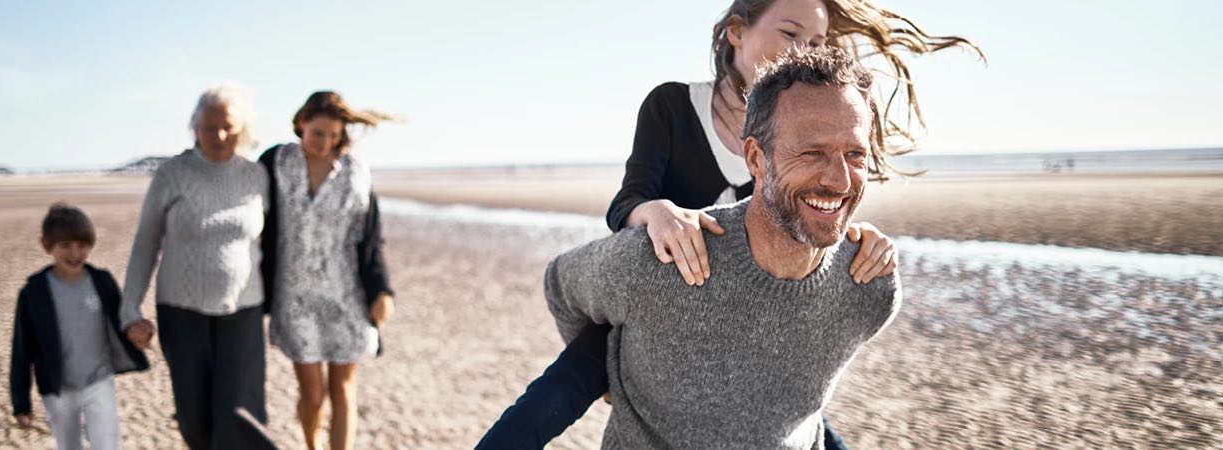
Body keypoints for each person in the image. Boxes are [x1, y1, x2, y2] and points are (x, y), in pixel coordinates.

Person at [478, 0, 980, 447]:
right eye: (790, 34)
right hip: (665, 282)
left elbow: (809, 208)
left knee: (802, 418)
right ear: (736, 32)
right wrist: (654, 214)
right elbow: (627, 201)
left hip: (763, 314)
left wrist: (859, 239)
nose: (801, 49)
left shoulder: (806, 114)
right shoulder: (675, 107)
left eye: (816, 41)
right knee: (549, 399)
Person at [548, 46, 900, 449]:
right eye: (811, 152)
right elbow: (561, 285)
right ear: (756, 157)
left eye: (854, 154)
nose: (839, 181)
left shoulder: (870, 287)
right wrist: (609, 377)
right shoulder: (664, 261)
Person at [120, 82, 271, 449]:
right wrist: (129, 309)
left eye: (228, 127)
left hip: (244, 312)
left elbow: (273, 244)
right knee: (194, 417)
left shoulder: (257, 177)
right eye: (208, 127)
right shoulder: (172, 174)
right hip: (181, 313)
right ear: (195, 128)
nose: (218, 135)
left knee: (239, 412)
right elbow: (146, 244)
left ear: (243, 129)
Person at [259, 91, 397, 450]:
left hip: (346, 295)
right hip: (295, 297)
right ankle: (310, 445)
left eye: (334, 136)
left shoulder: (355, 171)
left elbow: (370, 238)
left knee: (344, 387)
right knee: (313, 393)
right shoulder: (276, 161)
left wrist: (382, 291)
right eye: (319, 133)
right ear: (301, 122)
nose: (326, 143)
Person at [10, 203, 150, 450]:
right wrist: (21, 403)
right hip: (57, 389)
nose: (75, 253)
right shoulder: (33, 293)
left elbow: (124, 321)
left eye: (82, 245)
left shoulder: (102, 281)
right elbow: (22, 350)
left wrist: (140, 330)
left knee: (107, 444)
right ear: (46, 245)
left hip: (99, 380)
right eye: (65, 246)